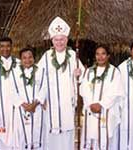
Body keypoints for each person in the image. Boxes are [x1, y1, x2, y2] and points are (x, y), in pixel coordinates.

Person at [37, 16, 84, 150]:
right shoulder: (46, 57)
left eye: (62, 39)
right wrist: (42, 98)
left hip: (67, 102)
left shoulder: (73, 56)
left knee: (67, 132)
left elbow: (83, 78)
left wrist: (79, 74)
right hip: (51, 102)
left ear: (66, 40)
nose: (59, 42)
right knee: (51, 134)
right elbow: (38, 79)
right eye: (56, 40)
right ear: (52, 40)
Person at [80, 45, 124, 150]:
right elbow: (84, 89)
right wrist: (91, 103)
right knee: (90, 139)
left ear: (108, 56)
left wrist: (101, 104)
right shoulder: (89, 72)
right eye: (97, 54)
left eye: (103, 54)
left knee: (106, 141)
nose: (100, 57)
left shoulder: (114, 72)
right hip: (91, 111)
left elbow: (115, 92)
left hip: (107, 111)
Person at [12, 47, 46, 149]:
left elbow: (44, 88)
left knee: (38, 133)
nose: (27, 60)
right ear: (20, 59)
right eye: (24, 58)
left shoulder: (41, 71)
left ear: (34, 58)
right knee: (22, 135)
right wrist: (23, 104)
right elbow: (11, 90)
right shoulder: (14, 73)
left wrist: (35, 104)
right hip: (21, 109)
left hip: (37, 108)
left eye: (30, 57)